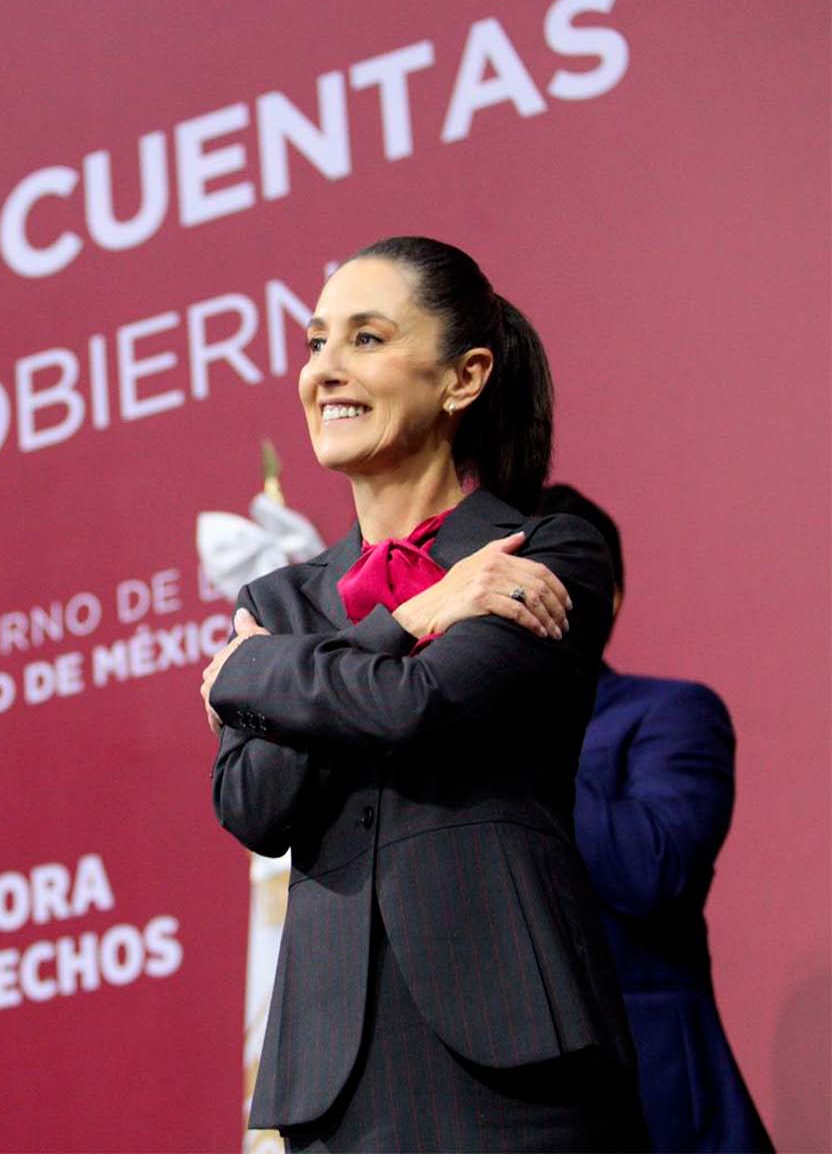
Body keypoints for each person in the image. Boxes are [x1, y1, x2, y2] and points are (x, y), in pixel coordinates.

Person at [200, 236, 646, 1151]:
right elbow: (256, 806)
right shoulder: (278, 602)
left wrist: (259, 673)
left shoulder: (539, 552)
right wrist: (411, 617)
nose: (325, 370)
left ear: (463, 378)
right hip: (331, 1079)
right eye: (316, 343)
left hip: (517, 1054)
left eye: (366, 339)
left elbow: (424, 705)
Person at [536, 484, 773, 1153]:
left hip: (653, 1099)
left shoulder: (671, 713)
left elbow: (652, 871)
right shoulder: (452, 733)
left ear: (607, 597)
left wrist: (529, 732)